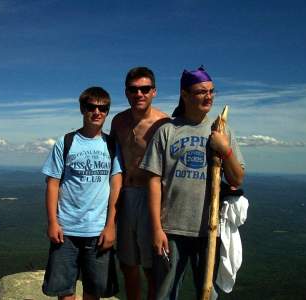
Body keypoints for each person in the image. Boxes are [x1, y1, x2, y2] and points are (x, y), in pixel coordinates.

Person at [140, 67, 245, 300]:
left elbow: (237, 179)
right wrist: (157, 229)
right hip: (171, 229)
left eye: (211, 91)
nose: (208, 97)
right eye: (200, 92)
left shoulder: (222, 130)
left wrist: (224, 149)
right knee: (164, 293)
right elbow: (153, 181)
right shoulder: (167, 131)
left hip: (211, 229)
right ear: (185, 95)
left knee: (207, 293)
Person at [41, 87, 123, 300]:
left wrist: (111, 226)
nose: (97, 112)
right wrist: (52, 222)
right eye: (91, 107)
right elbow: (52, 184)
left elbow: (116, 185)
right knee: (64, 291)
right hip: (66, 229)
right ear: (82, 109)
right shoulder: (66, 142)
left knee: (94, 289)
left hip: (98, 230)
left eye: (103, 108)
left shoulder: (112, 145)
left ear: (107, 112)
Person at [111, 67, 169, 300]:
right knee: (127, 263)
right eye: (134, 90)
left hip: (152, 197)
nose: (139, 94)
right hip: (125, 195)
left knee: (151, 265)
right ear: (126, 93)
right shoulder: (119, 121)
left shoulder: (163, 123)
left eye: (145, 89)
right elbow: (112, 161)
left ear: (154, 91)